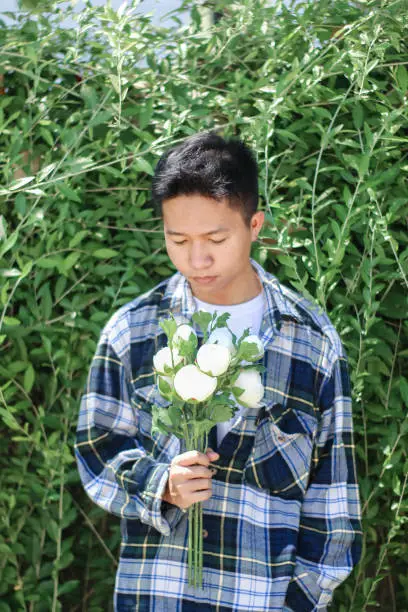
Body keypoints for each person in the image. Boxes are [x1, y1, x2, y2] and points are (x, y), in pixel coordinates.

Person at [75, 131, 362, 611]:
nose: (197, 258)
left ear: (254, 224)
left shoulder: (310, 342)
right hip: (158, 595)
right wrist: (160, 484)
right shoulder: (134, 331)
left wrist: (302, 600)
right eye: (178, 239)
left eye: (215, 238)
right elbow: (98, 447)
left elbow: (333, 503)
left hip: (262, 600)